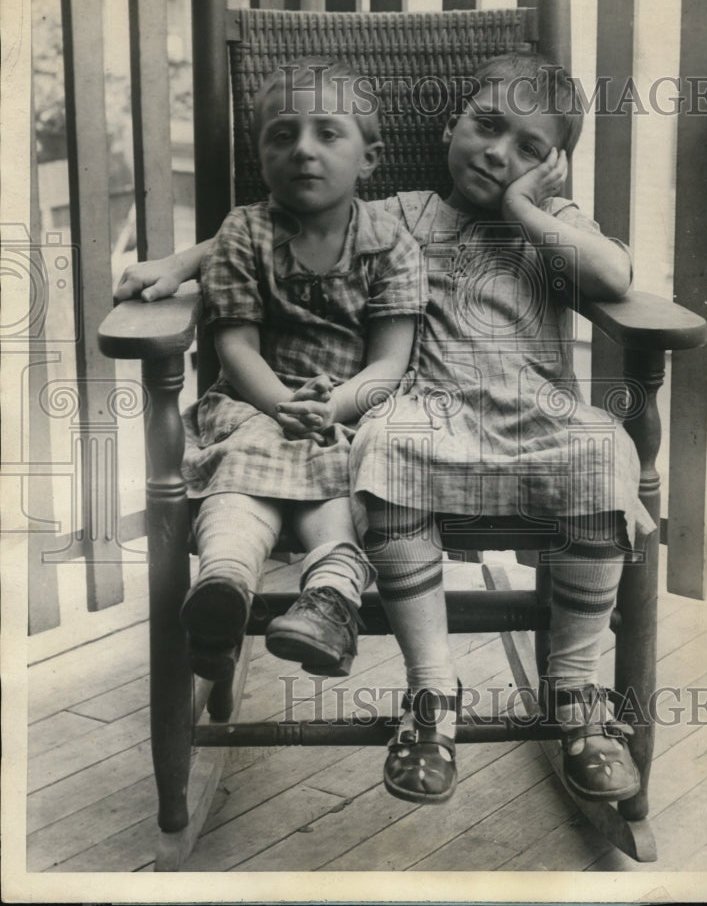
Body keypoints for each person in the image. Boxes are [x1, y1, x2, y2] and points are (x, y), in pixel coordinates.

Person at [116, 53, 653, 809]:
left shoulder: (554, 223)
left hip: (538, 407)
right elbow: (282, 228)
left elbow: (615, 280)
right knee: (384, 451)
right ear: (450, 125)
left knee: (606, 453)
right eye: (486, 125)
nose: (498, 153)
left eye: (528, 148)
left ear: (554, 169)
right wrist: (180, 263)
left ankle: (575, 694)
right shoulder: (400, 212)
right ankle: (433, 696)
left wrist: (530, 208)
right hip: (423, 404)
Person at [174, 56, 426, 683]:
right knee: (241, 469)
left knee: (351, 475)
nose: (303, 150)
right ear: (260, 157)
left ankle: (331, 599)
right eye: (282, 135)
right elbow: (236, 346)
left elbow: (390, 360)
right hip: (257, 400)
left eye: (327, 133)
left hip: (354, 407)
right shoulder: (245, 232)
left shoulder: (391, 242)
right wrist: (280, 405)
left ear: (368, 158)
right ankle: (224, 588)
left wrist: (336, 407)